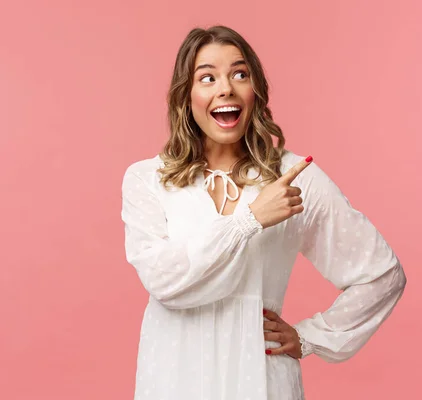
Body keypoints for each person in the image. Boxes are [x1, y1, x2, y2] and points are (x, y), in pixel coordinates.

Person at [121, 25, 407, 400]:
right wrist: (250, 219)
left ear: (254, 91)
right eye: (207, 77)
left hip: (261, 379)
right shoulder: (148, 180)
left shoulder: (291, 177)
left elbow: (382, 275)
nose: (226, 88)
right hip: (174, 378)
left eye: (240, 74)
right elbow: (166, 283)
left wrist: (310, 338)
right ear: (185, 96)